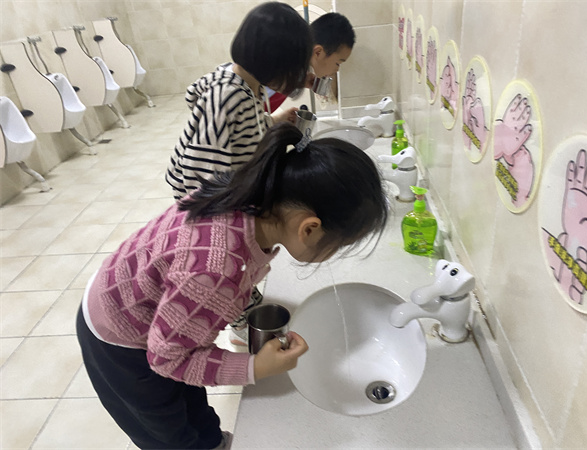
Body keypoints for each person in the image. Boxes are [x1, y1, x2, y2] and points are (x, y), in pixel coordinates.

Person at [76, 122, 389, 450]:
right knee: (169, 432)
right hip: (119, 337)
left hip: (135, 297)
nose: (332, 255)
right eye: (338, 247)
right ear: (309, 229)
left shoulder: (248, 195)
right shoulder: (214, 270)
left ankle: (212, 442)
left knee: (193, 406)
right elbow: (167, 360)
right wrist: (255, 367)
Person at [166, 2, 313, 200]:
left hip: (229, 185)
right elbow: (201, 168)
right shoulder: (227, 97)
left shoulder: (251, 86)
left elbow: (246, 127)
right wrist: (222, 210)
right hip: (204, 199)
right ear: (274, 62)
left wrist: (274, 121)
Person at [267, 12, 356, 111]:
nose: (337, 69)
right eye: (338, 63)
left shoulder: (292, 70)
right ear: (318, 52)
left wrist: (299, 82)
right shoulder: (279, 68)